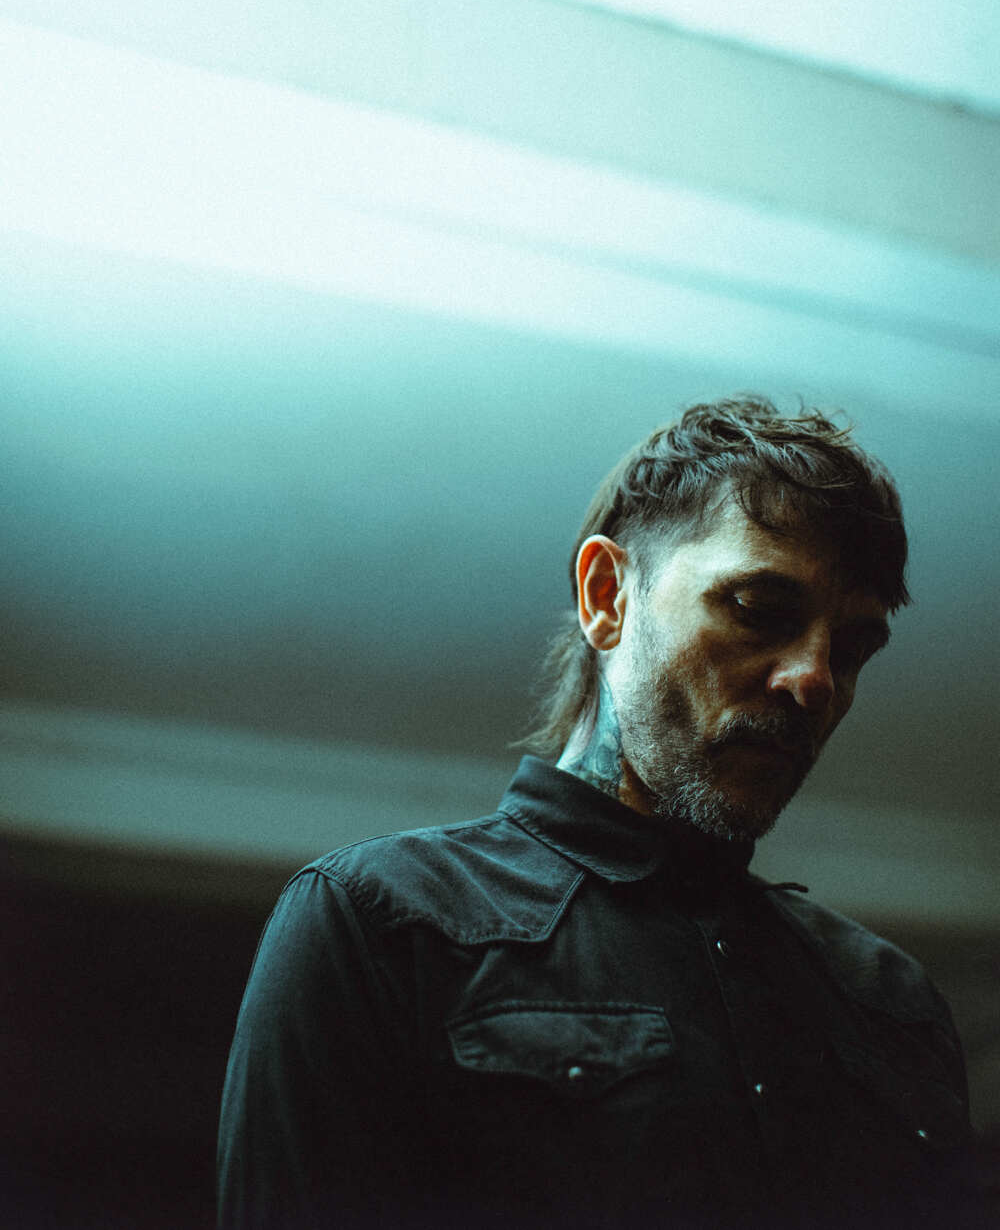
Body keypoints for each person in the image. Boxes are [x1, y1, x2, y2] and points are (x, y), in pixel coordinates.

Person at [217, 395, 982, 1229]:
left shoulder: (890, 1001)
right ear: (607, 595)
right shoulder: (381, 923)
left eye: (853, 647)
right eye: (761, 611)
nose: (815, 681)